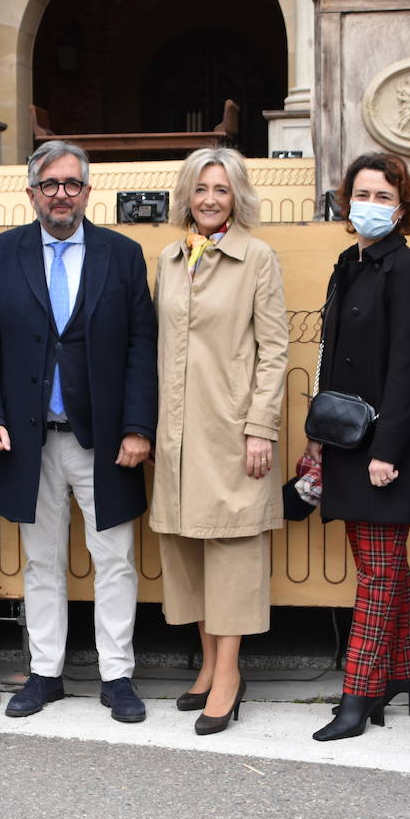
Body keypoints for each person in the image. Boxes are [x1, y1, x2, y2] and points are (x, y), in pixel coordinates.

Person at [0, 140, 158, 722]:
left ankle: (116, 675)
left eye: (72, 184)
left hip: (102, 439)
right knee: (40, 561)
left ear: (87, 192)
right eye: (49, 184)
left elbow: (141, 346)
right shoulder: (2, 254)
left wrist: (137, 426)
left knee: (115, 558)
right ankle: (44, 673)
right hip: (27, 438)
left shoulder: (121, 255)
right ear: (31, 194)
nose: (61, 194)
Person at [150, 148, 288, 735]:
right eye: (202, 188)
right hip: (176, 431)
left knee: (231, 552)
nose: (210, 199)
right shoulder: (171, 256)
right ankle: (207, 665)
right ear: (187, 195)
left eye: (222, 190)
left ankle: (229, 675)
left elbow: (276, 350)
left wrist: (261, 426)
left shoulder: (257, 258)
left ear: (237, 197)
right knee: (188, 549)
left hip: (231, 430)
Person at [305, 152, 410, 742]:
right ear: (345, 201)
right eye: (362, 194)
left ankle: (358, 694)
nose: (370, 206)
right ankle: (399, 672)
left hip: (387, 446)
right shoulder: (346, 265)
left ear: (403, 206)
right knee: (381, 565)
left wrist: (388, 450)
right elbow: (331, 359)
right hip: (344, 438)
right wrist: (317, 436)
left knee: (379, 574)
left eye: (384, 196)